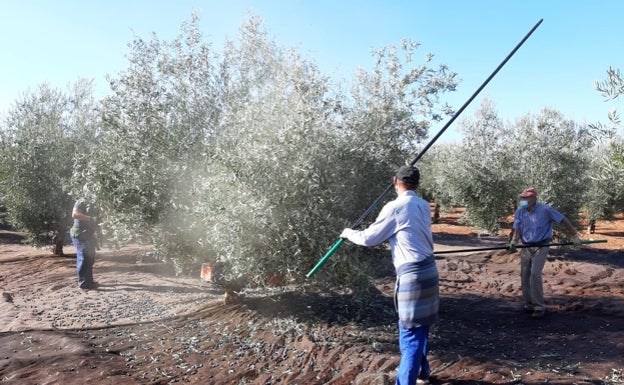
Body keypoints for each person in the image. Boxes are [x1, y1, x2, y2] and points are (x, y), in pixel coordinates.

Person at [340, 165, 439, 385]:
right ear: (418, 183)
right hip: (430, 272)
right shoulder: (423, 205)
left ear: (395, 181)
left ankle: (406, 381)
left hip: (412, 275)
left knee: (410, 333)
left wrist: (348, 233)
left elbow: (369, 238)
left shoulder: (394, 207)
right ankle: (423, 372)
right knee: (420, 326)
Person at [509, 187, 581, 318]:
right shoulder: (520, 211)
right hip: (526, 246)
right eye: (523, 198)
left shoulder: (546, 210)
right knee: (525, 274)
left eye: (527, 198)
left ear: (534, 198)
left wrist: (574, 236)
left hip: (541, 245)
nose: (524, 200)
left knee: (535, 274)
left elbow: (563, 219)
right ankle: (529, 303)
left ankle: (539, 306)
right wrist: (514, 241)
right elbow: (517, 228)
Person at [70, 185, 100, 290]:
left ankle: (89, 281)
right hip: (79, 234)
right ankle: (83, 283)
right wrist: (91, 218)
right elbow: (75, 214)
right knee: (84, 258)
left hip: (88, 235)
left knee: (90, 258)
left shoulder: (95, 203)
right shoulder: (81, 202)